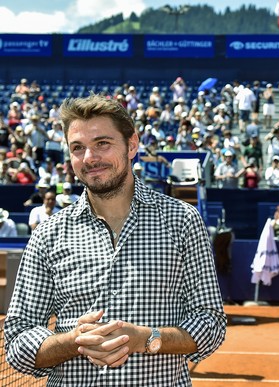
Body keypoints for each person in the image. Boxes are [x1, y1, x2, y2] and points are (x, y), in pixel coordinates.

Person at [5, 94, 226, 385]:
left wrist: (147, 339)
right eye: (77, 148)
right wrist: (74, 341)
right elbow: (17, 340)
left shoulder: (183, 220)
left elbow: (210, 323)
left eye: (102, 144)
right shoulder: (48, 233)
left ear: (131, 144)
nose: (89, 158)